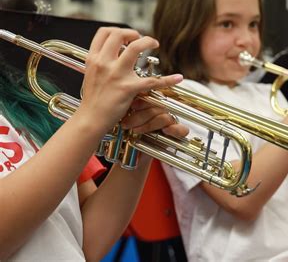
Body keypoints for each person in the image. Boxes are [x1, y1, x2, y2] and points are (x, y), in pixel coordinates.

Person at [152, 0, 288, 261]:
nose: (246, 39)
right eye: (227, 24)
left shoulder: (268, 94)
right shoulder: (181, 98)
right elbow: (241, 197)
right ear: (185, 28)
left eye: (253, 24)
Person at [0, 27, 188, 260]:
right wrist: (92, 116)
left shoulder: (32, 102)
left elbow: (87, 242)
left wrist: (138, 146)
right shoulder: (80, 120)